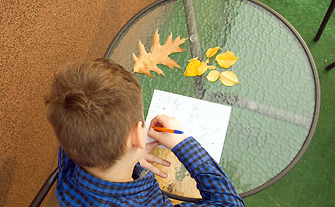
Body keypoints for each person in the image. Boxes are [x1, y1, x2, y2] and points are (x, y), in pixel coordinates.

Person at [45, 58, 245, 206]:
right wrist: (182, 143)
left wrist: (128, 158)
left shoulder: (70, 150)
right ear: (138, 135)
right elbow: (230, 203)